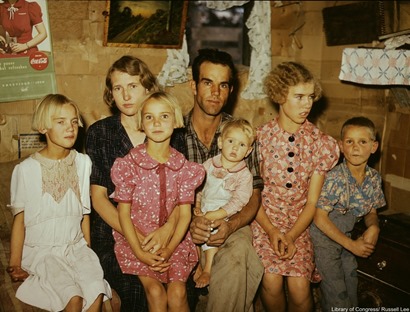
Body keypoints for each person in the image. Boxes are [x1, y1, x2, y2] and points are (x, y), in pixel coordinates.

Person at [86, 55, 192, 311]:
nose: (125, 95)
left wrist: (167, 230)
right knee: (138, 294)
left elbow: (183, 194)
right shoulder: (100, 133)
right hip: (117, 235)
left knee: (180, 290)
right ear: (111, 93)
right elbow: (99, 198)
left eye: (132, 86)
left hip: (168, 232)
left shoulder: (168, 131)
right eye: (118, 88)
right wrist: (138, 238)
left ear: (147, 87)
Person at [171, 48, 264, 312]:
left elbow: (253, 195)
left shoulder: (242, 135)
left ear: (231, 90)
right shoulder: (174, 133)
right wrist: (190, 223)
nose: (215, 92)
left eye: (223, 85)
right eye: (207, 82)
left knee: (239, 254)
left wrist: (231, 224)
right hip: (182, 223)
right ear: (193, 85)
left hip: (228, 219)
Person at [7, 94, 111, 311]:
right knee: (72, 298)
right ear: (44, 127)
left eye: (74, 121)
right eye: (61, 122)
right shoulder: (25, 170)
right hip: (43, 252)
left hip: (76, 248)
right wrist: (14, 264)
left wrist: (87, 254)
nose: (70, 128)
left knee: (96, 292)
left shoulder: (83, 163)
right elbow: (20, 221)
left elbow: (85, 214)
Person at [251, 62, 340, 312]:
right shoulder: (259, 138)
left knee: (300, 286)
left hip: (299, 225)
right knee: (271, 279)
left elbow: (312, 202)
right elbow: (252, 197)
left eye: (310, 96)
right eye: (298, 97)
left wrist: (291, 235)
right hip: (264, 222)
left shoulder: (319, 143)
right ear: (280, 96)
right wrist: (271, 231)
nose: (307, 104)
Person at [111, 91, 205, 312]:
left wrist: (171, 248)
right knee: (155, 293)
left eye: (164, 116)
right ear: (141, 122)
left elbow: (184, 215)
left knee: (178, 292)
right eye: (149, 117)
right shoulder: (129, 165)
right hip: (138, 241)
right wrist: (140, 252)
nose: (156, 123)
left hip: (175, 241)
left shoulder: (184, 167)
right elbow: (123, 214)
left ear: (175, 120)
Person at [310, 116, 386, 310]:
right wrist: (352, 246)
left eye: (363, 142)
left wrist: (374, 226)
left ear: (374, 146)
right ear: (341, 146)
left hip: (345, 239)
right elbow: (319, 218)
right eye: (350, 142)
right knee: (337, 295)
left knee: (351, 287)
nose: (355, 147)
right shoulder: (335, 177)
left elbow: (371, 210)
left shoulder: (374, 178)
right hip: (325, 241)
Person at [193, 118, 255, 289]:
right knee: (191, 234)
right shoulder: (209, 164)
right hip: (204, 208)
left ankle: (207, 269)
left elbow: (239, 201)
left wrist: (217, 214)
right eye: (230, 141)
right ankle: (195, 264)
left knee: (211, 235)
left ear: (248, 151)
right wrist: (197, 206)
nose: (235, 148)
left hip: (224, 214)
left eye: (242, 145)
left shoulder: (244, 175)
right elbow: (198, 187)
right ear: (220, 142)